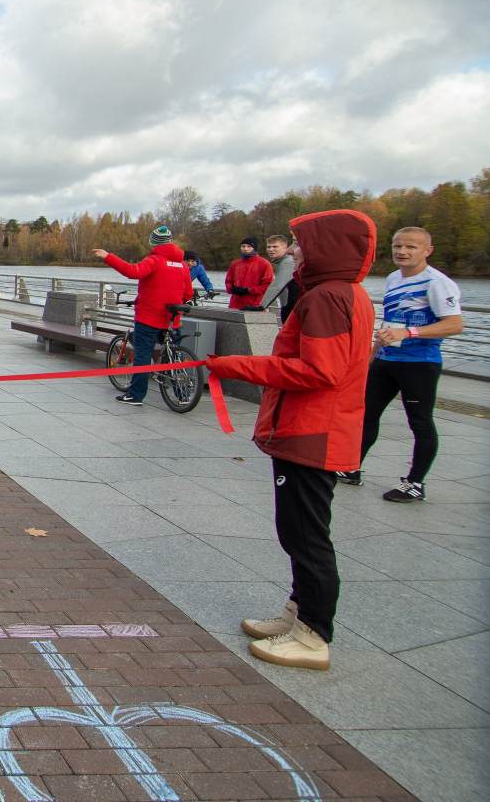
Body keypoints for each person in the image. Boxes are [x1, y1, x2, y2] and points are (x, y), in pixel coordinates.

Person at [205, 209, 377, 672]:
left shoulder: (328, 297)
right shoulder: (344, 293)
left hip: (313, 433)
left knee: (305, 535)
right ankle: (296, 614)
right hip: (315, 430)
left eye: (302, 243)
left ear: (327, 247)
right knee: (298, 531)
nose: (296, 252)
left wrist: (236, 365)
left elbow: (320, 371)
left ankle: (313, 635)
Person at [343, 226, 464, 501]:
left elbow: (454, 324)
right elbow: (390, 323)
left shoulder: (437, 282)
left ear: (427, 251)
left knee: (419, 422)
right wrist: (371, 354)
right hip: (386, 360)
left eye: (411, 247)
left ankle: (415, 483)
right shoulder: (393, 278)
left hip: (419, 363)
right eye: (398, 246)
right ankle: (351, 467)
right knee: (365, 415)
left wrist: (409, 333)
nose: (402, 251)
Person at [93, 225, 193, 407]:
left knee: (143, 355)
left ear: (154, 243)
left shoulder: (154, 260)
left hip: (149, 317)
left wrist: (108, 256)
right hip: (172, 318)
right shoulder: (183, 265)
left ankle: (136, 395)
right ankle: (183, 394)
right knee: (173, 355)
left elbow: (133, 272)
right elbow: (188, 294)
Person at [224, 235, 274, 310]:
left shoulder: (264, 264)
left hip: (254, 305)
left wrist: (248, 290)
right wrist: (232, 289)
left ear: (254, 248)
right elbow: (228, 281)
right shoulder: (235, 264)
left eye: (249, 246)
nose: (245, 249)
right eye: (243, 246)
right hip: (234, 305)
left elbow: (267, 285)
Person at [258, 234, 296, 319]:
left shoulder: (288, 262)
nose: (271, 249)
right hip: (289, 306)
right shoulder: (281, 262)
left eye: (275, 246)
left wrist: (262, 306)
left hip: (293, 308)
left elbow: (277, 285)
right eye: (268, 247)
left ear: (285, 247)